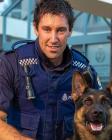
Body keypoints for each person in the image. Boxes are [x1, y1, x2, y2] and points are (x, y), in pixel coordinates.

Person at [0, 0, 102, 140]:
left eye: (61, 30)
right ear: (36, 28)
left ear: (70, 30)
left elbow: (98, 119)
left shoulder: (84, 70)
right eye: (47, 29)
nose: (53, 39)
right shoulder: (11, 63)